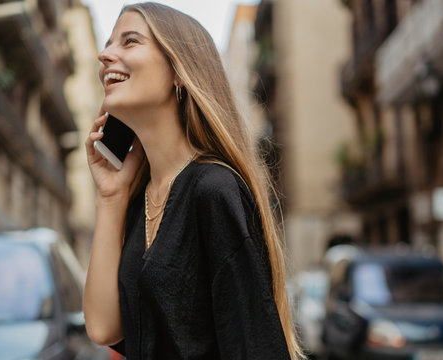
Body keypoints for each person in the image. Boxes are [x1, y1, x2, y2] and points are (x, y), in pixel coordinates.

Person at [83, 2, 303, 359]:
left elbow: (254, 346)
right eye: (109, 43)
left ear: (179, 71)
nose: (104, 54)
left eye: (130, 41)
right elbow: (103, 328)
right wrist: (110, 195)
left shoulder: (213, 190)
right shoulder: (141, 196)